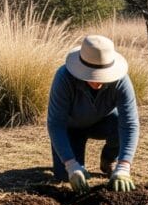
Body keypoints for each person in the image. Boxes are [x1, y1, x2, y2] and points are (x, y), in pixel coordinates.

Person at [47, 35, 140, 193]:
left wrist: (124, 166)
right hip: (72, 129)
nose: (98, 81)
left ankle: (109, 159)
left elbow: (130, 124)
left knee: (118, 121)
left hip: (104, 123)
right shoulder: (64, 78)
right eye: (93, 74)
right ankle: (72, 160)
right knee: (64, 176)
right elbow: (56, 124)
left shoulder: (121, 81)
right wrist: (71, 165)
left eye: (103, 74)